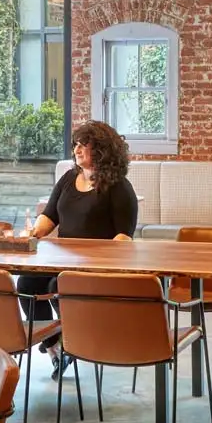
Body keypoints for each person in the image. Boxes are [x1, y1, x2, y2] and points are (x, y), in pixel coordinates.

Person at [21, 120, 139, 375]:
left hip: (95, 268)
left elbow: (124, 237)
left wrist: (99, 260)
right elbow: (50, 215)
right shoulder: (68, 178)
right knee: (27, 284)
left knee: (57, 286)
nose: (77, 149)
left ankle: (77, 339)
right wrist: (34, 233)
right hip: (61, 261)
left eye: (84, 145)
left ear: (102, 150)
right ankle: (54, 344)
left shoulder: (118, 187)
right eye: (76, 144)